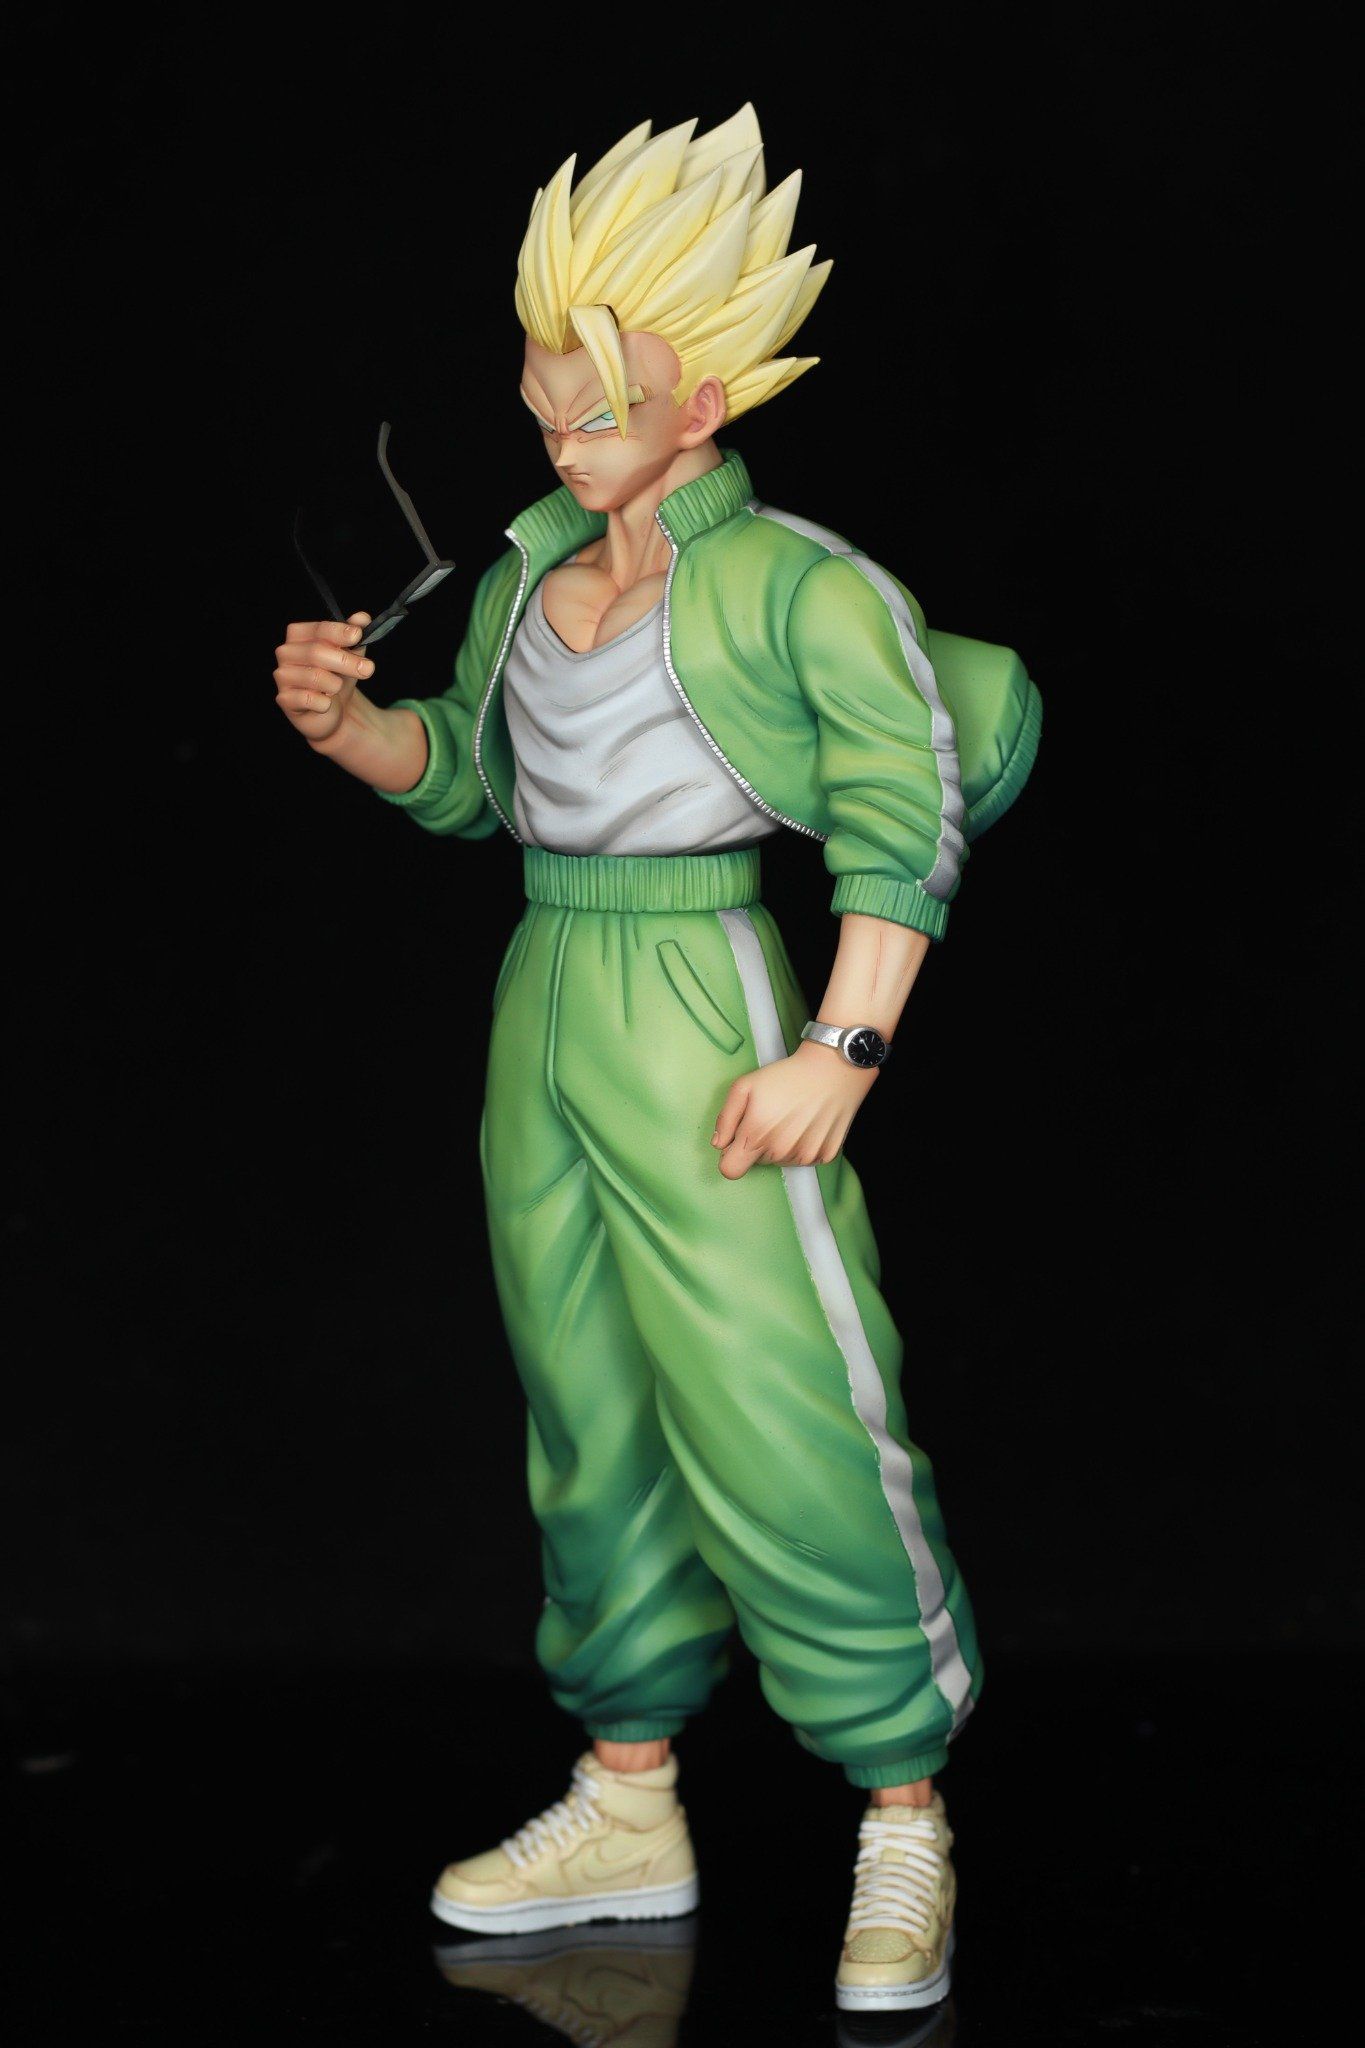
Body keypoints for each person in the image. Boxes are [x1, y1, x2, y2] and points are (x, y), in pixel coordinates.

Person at [271, 104, 1039, 2015]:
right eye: (546, 398)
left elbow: (901, 817)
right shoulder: (527, 576)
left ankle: (902, 1805)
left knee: (780, 1391)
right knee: (587, 1397)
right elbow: (474, 783)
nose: (562, 433)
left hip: (706, 983)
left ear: (707, 396)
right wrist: (354, 733)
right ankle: (628, 1792)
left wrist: (843, 1041)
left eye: (600, 402)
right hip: (546, 988)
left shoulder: (795, 584)